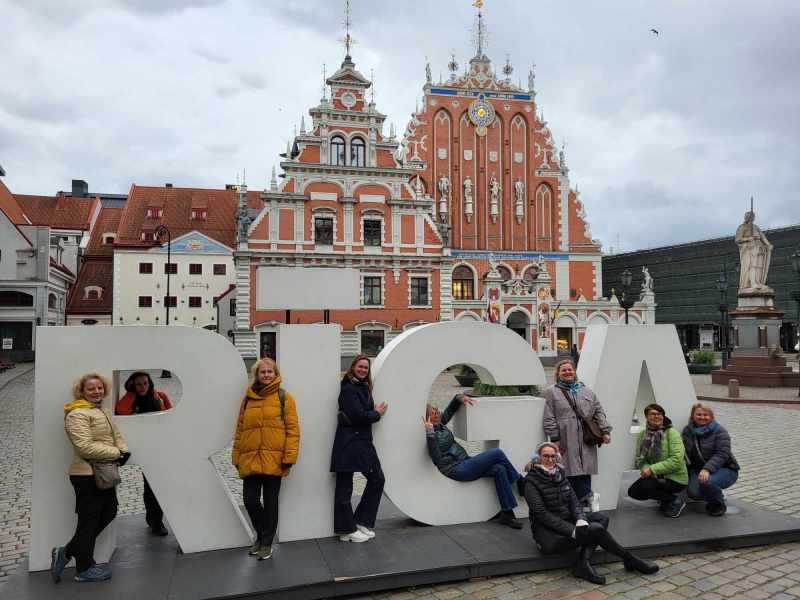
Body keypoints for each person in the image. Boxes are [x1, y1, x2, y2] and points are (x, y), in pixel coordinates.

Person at [523, 442, 658, 585]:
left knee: (602, 518)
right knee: (596, 529)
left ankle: (583, 563)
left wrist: (581, 519)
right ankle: (629, 559)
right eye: (545, 456)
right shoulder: (531, 482)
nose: (550, 460)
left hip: (567, 523)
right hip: (549, 537)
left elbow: (574, 502)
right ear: (537, 458)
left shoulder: (559, 474)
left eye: (553, 456)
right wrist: (572, 530)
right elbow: (541, 514)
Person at [50, 373, 130, 583]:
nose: (97, 392)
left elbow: (115, 434)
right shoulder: (77, 414)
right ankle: (83, 569)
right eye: (91, 389)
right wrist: (116, 453)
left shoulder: (100, 410)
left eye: (100, 388)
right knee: (89, 520)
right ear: (82, 391)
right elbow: (84, 447)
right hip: (85, 474)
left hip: (103, 472)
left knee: (109, 511)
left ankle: (66, 552)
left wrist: (123, 449)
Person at [232, 358, 299, 560]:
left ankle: (266, 543)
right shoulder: (248, 399)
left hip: (274, 459)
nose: (266, 375)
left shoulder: (284, 397)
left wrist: (289, 457)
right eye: (263, 372)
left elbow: (293, 430)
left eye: (270, 372)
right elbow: (240, 429)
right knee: (250, 501)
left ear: (275, 373)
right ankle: (262, 535)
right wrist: (236, 455)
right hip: (251, 458)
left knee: (270, 502)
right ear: (257, 375)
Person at [423, 393, 523, 529]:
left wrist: (459, 397)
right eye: (432, 414)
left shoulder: (441, 424)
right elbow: (437, 459)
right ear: (426, 418)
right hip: (456, 469)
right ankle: (520, 481)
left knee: (500, 469)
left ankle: (507, 513)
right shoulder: (430, 435)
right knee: (496, 453)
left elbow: (449, 410)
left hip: (466, 461)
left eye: (436, 411)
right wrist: (430, 433)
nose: (436, 415)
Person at [330, 355, 387, 543]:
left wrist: (371, 413)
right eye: (360, 366)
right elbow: (358, 416)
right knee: (345, 487)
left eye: (366, 368)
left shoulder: (362, 387)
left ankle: (361, 521)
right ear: (353, 367)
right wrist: (376, 413)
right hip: (349, 443)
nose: (363, 370)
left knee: (377, 479)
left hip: (360, 442)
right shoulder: (348, 388)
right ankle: (346, 530)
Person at [543, 359, 611, 505]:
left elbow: (599, 411)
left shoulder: (586, 391)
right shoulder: (551, 392)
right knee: (568, 469)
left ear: (574, 372)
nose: (568, 372)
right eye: (564, 370)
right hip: (566, 436)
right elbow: (549, 416)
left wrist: (605, 431)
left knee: (586, 469)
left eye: (570, 369)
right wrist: (554, 437)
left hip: (586, 437)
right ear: (558, 374)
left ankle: (585, 501)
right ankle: (580, 501)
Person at [115, 371, 173, 536]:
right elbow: (121, 410)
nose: (142, 387)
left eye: (145, 383)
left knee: (158, 485)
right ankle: (155, 521)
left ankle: (157, 520)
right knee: (151, 486)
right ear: (132, 384)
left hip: (160, 447)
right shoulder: (130, 400)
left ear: (150, 383)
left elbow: (171, 416)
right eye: (138, 384)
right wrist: (131, 394)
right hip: (143, 448)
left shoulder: (160, 396)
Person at [628, 403, 688, 518]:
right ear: (646, 417)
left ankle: (675, 500)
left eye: (659, 414)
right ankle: (667, 499)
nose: (656, 416)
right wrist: (645, 468)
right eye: (652, 414)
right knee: (634, 491)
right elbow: (639, 458)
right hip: (655, 476)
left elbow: (676, 460)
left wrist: (652, 469)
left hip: (675, 478)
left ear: (663, 416)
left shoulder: (672, 433)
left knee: (646, 487)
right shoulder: (642, 435)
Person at [682, 403, 739, 516]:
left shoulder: (719, 430)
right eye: (698, 414)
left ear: (711, 417)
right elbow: (685, 454)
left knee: (707, 481)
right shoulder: (687, 431)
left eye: (705, 415)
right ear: (693, 416)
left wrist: (707, 469)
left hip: (725, 469)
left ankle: (718, 503)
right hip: (698, 470)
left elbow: (722, 453)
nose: (702, 417)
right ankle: (715, 492)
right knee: (694, 493)